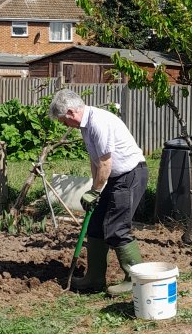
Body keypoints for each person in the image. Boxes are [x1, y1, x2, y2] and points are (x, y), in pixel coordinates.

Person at [49, 88, 148, 295]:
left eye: (62, 120)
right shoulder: (85, 126)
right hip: (113, 176)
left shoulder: (98, 123)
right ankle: (94, 278)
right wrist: (96, 188)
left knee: (117, 228)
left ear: (70, 113)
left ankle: (135, 280)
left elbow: (105, 162)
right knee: (95, 224)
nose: (64, 125)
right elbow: (95, 162)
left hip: (129, 175)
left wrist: (94, 191)